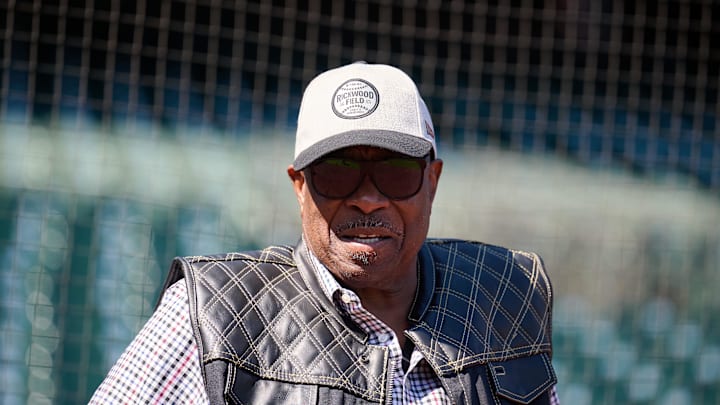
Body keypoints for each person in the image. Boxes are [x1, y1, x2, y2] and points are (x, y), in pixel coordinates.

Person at [90, 62, 559, 404]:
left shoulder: (505, 298)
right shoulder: (212, 316)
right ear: (300, 186)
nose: (369, 199)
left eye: (396, 172)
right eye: (337, 172)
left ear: (431, 183)